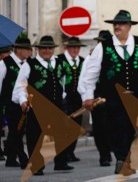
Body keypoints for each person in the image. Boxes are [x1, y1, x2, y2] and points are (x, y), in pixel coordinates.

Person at [78, 9, 138, 176]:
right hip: (112, 97)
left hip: (135, 95)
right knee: (117, 127)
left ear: (129, 26)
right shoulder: (103, 46)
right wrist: (87, 96)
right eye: (115, 24)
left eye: (121, 24)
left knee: (131, 128)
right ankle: (122, 160)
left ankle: (123, 159)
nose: (117, 26)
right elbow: (90, 73)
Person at [12, 35, 74, 174]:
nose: (47, 50)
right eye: (44, 48)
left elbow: (62, 82)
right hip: (37, 106)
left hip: (57, 104)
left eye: (49, 48)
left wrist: (62, 96)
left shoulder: (59, 62)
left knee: (61, 132)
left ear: (53, 49)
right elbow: (20, 86)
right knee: (35, 135)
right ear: (38, 50)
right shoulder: (30, 64)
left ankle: (61, 161)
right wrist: (22, 100)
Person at [0, 35, 32, 169]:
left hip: (22, 102)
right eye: (27, 49)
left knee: (19, 130)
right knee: (15, 130)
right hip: (8, 103)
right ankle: (23, 158)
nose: (29, 52)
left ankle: (11, 158)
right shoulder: (5, 63)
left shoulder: (27, 64)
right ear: (18, 49)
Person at [57, 36, 85, 162]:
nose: (75, 50)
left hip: (78, 99)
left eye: (77, 47)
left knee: (76, 126)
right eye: (72, 47)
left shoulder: (83, 61)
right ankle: (64, 153)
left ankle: (71, 152)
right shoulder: (59, 60)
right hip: (65, 98)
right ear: (67, 48)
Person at [90, 30, 113, 166]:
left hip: (113, 97)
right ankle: (103, 155)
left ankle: (111, 151)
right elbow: (86, 77)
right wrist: (87, 96)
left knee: (113, 126)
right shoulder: (92, 56)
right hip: (97, 96)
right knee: (100, 127)